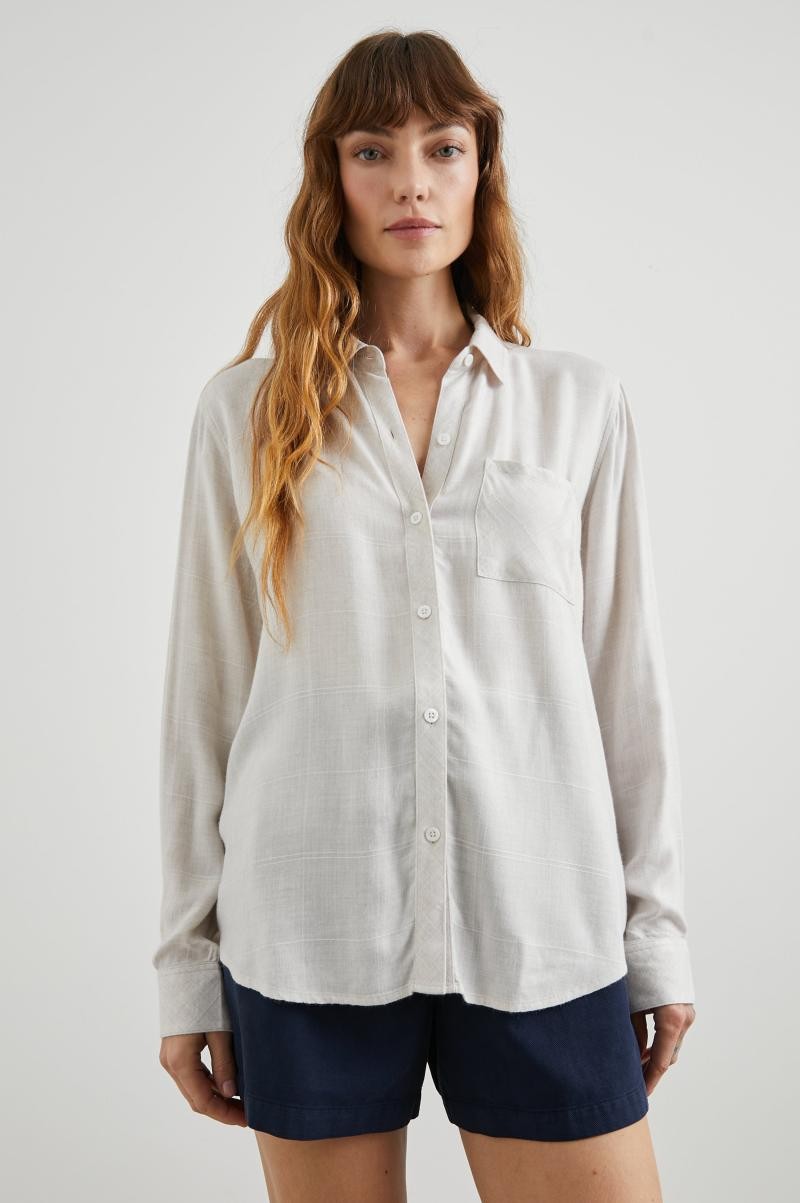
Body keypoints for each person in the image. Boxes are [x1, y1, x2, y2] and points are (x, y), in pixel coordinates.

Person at [153, 28, 696, 1203]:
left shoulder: (574, 406)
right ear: (331, 177)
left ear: (478, 170)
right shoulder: (244, 414)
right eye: (372, 151)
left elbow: (625, 688)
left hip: (540, 927)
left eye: (441, 148)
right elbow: (205, 699)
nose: (410, 181)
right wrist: (186, 968)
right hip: (308, 934)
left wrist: (653, 937)